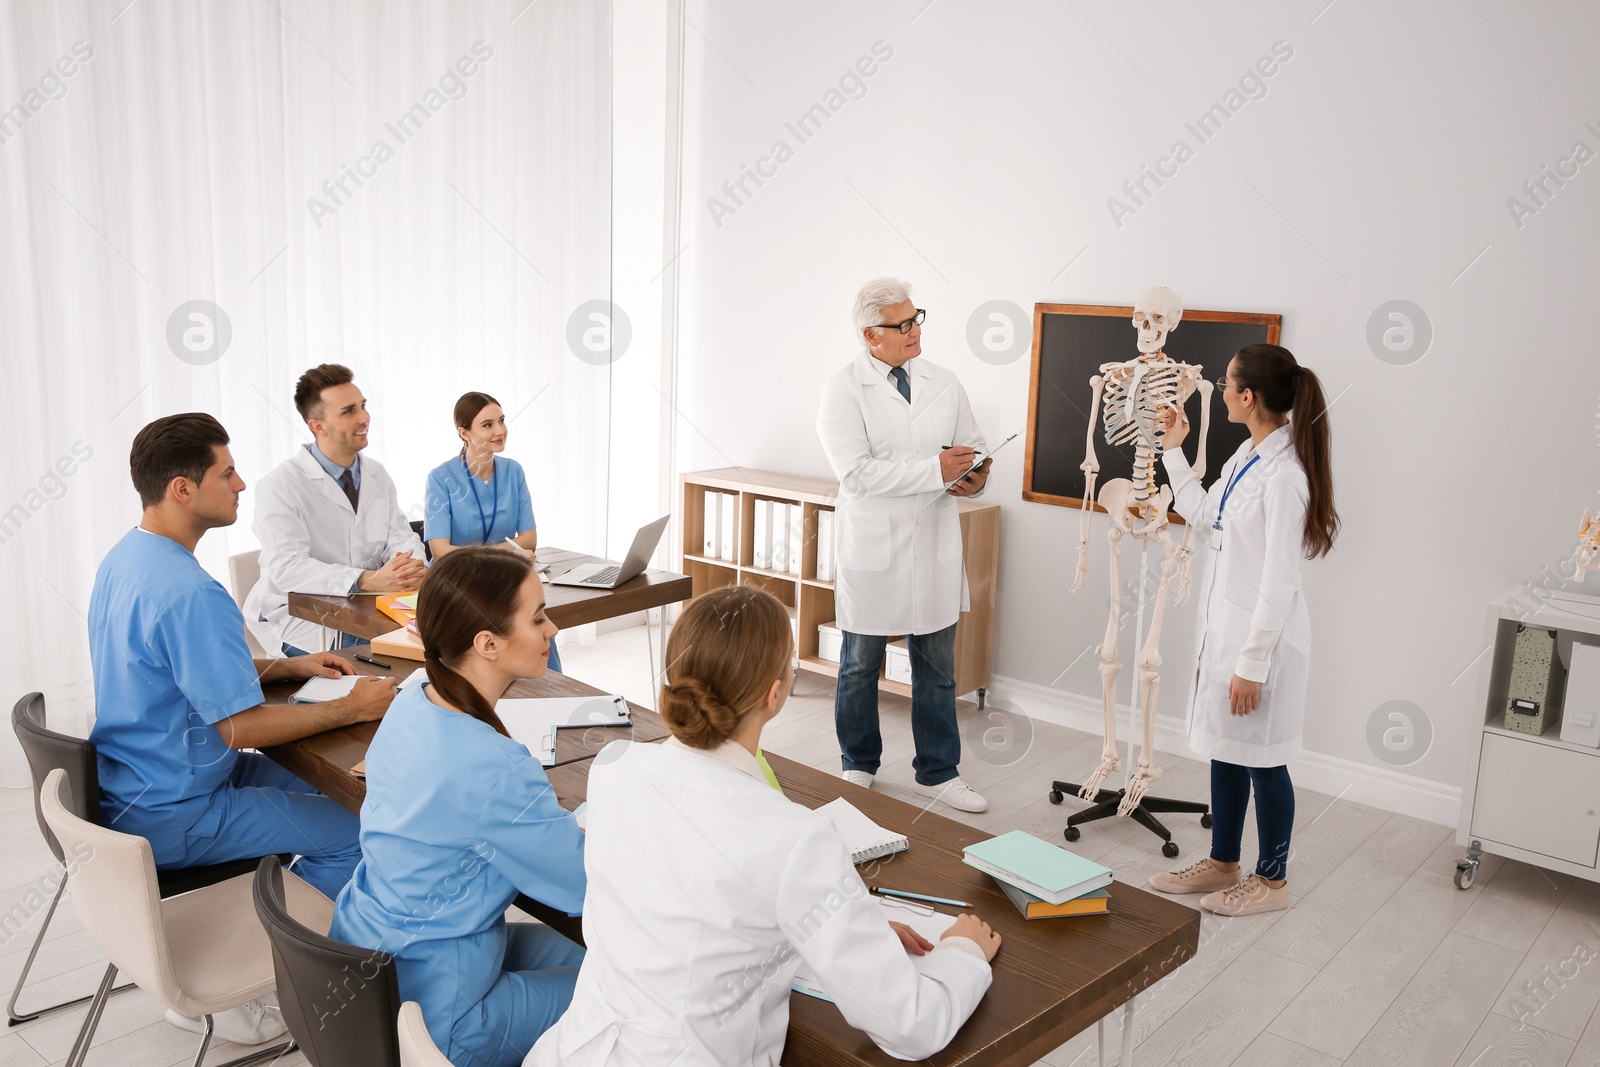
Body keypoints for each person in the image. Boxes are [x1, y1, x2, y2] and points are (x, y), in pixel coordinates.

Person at [528, 586, 998, 1066]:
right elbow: (912, 1028)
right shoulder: (792, 836)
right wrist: (962, 953)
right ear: (776, 694)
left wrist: (852, 922)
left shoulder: (614, 768)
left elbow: (693, 909)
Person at [89, 413, 395, 1042]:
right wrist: (354, 708)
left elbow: (174, 671)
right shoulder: (191, 592)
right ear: (182, 488)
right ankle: (278, 972)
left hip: (144, 777)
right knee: (361, 832)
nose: (241, 484)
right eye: (227, 473)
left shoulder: (127, 560)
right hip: (181, 807)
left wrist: (285, 664)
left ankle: (291, 922)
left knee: (348, 790)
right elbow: (239, 729)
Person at [331, 548, 586, 1067]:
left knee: (598, 957)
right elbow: (581, 884)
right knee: (639, 990)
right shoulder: (494, 765)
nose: (552, 629)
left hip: (371, 958)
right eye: (538, 617)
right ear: (487, 643)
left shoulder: (412, 698)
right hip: (444, 1018)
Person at [1148, 343, 1339, 916]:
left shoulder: (1285, 478)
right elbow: (1208, 518)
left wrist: (1252, 665)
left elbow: (1280, 582)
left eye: (1227, 384)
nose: (1222, 391)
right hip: (1229, 632)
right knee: (1227, 752)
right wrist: (1175, 453)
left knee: (1264, 758)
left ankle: (1273, 882)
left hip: (1264, 643)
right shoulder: (1247, 458)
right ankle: (1223, 862)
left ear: (1247, 396)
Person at [815, 277, 994, 813]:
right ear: (871, 335)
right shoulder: (843, 390)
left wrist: (975, 475)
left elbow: (975, 447)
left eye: (918, 319)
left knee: (937, 668)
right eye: (903, 324)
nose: (916, 330)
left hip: (933, 542)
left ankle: (938, 772)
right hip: (874, 547)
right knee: (859, 665)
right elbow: (857, 475)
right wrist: (934, 470)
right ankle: (858, 764)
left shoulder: (945, 380)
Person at [245, 363, 426, 655]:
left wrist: (409, 567)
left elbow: (400, 535)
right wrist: (366, 580)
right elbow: (286, 566)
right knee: (413, 655)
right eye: (348, 411)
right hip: (303, 617)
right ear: (317, 426)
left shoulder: (376, 474)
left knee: (446, 635)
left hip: (368, 607)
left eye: (363, 406)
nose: (364, 417)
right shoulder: (279, 485)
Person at [424, 391, 561, 671]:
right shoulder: (441, 478)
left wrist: (504, 556)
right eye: (487, 425)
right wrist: (505, 553)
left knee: (537, 625)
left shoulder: (513, 471)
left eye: (501, 421)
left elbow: (530, 540)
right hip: (458, 582)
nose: (500, 431)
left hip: (504, 578)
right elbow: (441, 552)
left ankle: (548, 690)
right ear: (464, 433)